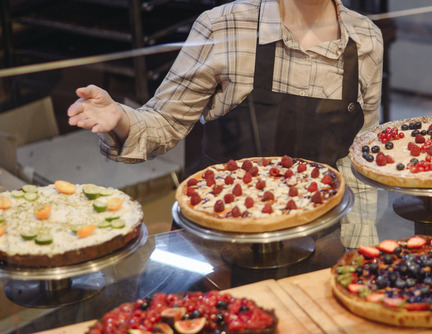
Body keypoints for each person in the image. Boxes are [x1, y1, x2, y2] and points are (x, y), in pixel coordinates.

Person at [67, 0, 384, 247]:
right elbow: (164, 124)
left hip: (316, 237)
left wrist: (358, 247)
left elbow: (359, 162)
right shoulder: (223, 26)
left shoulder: (366, 40)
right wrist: (119, 119)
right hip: (219, 238)